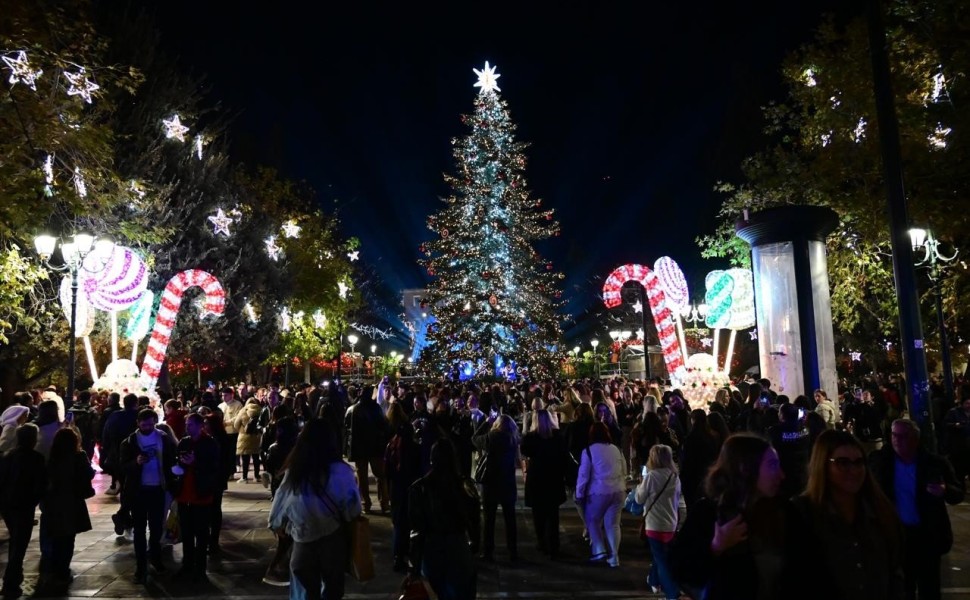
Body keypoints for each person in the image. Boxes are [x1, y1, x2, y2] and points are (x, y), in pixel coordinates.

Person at [670, 433, 800, 599]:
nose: (782, 474)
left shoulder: (785, 512)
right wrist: (716, 547)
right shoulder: (709, 514)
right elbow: (681, 571)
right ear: (745, 469)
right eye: (772, 465)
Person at [794, 429, 904, 599]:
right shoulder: (803, 514)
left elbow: (894, 571)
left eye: (859, 462)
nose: (853, 470)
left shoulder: (879, 511)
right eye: (842, 463)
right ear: (823, 465)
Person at [869, 419, 965, 600]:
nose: (897, 440)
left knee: (929, 588)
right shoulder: (881, 462)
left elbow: (958, 493)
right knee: (903, 589)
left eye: (903, 436)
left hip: (926, 536)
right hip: (896, 536)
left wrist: (945, 490)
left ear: (915, 438)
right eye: (894, 435)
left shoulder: (934, 463)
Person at [269, 418, 362, 600]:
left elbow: (278, 508)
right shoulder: (342, 472)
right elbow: (353, 510)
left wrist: (277, 525)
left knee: (306, 591)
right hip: (332, 540)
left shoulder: (294, 471)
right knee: (333, 590)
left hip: (302, 542)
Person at [408, 438, 480, 600]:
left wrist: (413, 566)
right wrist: (474, 543)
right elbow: (474, 520)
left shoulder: (419, 488)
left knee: (436, 591)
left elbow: (416, 530)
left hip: (432, 547)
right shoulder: (464, 486)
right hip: (457, 544)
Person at [120, 408, 178, 584]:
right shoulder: (129, 442)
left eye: (150, 424)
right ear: (138, 423)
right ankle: (140, 565)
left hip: (158, 489)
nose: (147, 427)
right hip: (139, 491)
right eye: (144, 424)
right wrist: (135, 463)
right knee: (139, 529)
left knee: (156, 528)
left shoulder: (163, 438)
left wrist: (173, 476)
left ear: (155, 422)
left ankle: (156, 559)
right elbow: (122, 467)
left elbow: (171, 459)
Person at [38, 428, 94, 595]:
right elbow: (88, 473)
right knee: (68, 538)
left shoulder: (51, 457)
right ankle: (62, 570)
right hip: (72, 501)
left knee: (53, 536)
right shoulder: (79, 456)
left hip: (53, 502)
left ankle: (51, 568)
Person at [0, 424, 47, 599]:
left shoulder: (7, 456)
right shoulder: (36, 458)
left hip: (8, 505)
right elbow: (40, 485)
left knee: (16, 540)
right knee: (20, 543)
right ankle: (11, 581)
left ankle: (14, 577)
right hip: (24, 505)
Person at [173, 412, 221, 582]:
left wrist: (195, 462)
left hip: (201, 495)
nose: (187, 427)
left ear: (200, 426)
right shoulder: (184, 442)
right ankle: (187, 565)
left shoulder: (209, 443)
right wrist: (179, 466)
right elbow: (177, 461)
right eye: (186, 424)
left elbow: (215, 467)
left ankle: (200, 568)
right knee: (186, 533)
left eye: (190, 424)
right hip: (184, 494)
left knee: (201, 534)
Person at [575, 422, 626, 567]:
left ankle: (599, 550)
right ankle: (614, 556)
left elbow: (583, 475)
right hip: (618, 490)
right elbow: (624, 468)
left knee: (592, 520)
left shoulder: (588, 451)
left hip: (599, 491)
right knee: (614, 525)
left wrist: (579, 493)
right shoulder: (615, 449)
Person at [635, 444, 682, 600]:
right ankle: (654, 580)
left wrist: (639, 485)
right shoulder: (674, 477)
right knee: (660, 556)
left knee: (661, 560)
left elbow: (639, 499)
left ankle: (672, 593)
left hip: (654, 524)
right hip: (671, 524)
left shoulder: (651, 477)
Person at [472, 413, 520, 562]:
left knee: (489, 519)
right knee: (510, 519)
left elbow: (474, 439)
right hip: (507, 482)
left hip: (491, 483)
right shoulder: (513, 439)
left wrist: (486, 423)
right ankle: (512, 550)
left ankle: (488, 551)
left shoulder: (491, 437)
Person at [520, 409, 567, 558]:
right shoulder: (557, 437)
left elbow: (525, 451)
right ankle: (554, 544)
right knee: (553, 515)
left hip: (537, 477)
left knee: (538, 513)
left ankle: (542, 542)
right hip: (553, 477)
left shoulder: (531, 437)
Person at [384, 403, 422, 573]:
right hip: (410, 487)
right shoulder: (414, 448)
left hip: (396, 487)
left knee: (399, 522)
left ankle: (398, 554)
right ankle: (406, 554)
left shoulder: (391, 447)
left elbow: (387, 471)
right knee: (409, 522)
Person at [344, 384, 392, 513]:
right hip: (375, 446)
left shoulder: (352, 409)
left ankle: (366, 504)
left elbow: (347, 428)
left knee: (362, 477)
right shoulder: (375, 408)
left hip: (359, 447)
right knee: (380, 476)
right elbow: (383, 425)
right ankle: (384, 503)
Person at [203, 413, 233, 553]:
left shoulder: (217, 440)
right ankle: (211, 540)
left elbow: (224, 461)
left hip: (215, 479)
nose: (204, 426)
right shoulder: (218, 439)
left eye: (206, 423)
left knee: (213, 509)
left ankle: (213, 540)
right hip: (216, 479)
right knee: (213, 509)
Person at [233, 397, 263, 483]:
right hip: (257, 437)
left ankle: (244, 477)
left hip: (244, 437)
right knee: (256, 457)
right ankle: (256, 476)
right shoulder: (260, 410)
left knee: (245, 458)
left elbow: (236, 425)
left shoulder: (243, 411)